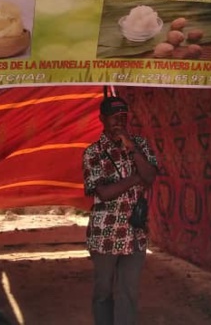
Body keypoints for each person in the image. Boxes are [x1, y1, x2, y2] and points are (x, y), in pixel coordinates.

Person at [82, 96, 158, 325]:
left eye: (123, 116)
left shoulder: (139, 144)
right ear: (102, 119)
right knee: (103, 291)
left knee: (129, 292)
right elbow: (103, 193)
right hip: (105, 235)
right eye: (114, 117)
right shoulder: (93, 153)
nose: (119, 121)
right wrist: (136, 178)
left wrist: (132, 148)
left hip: (135, 233)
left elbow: (150, 176)